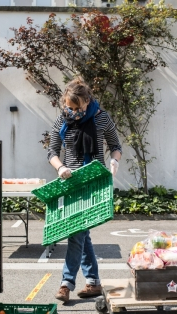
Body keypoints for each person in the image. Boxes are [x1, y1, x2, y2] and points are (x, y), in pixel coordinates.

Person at [46, 77, 122, 302]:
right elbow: (51, 151)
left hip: (93, 182)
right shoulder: (62, 119)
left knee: (76, 232)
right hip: (70, 183)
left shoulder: (101, 118)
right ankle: (94, 282)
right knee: (81, 233)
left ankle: (66, 284)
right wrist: (60, 168)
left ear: (87, 101)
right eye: (68, 108)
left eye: (77, 108)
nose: (72, 112)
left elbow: (116, 146)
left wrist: (114, 161)